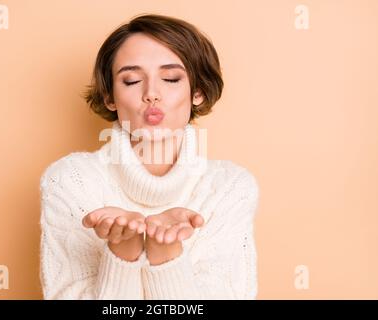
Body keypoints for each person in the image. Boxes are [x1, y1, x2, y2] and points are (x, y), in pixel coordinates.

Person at [39, 14, 260, 300]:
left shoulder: (231, 187)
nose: (151, 94)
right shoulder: (70, 180)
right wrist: (123, 252)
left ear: (198, 92)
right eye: (131, 81)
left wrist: (165, 254)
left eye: (170, 79)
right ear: (110, 98)